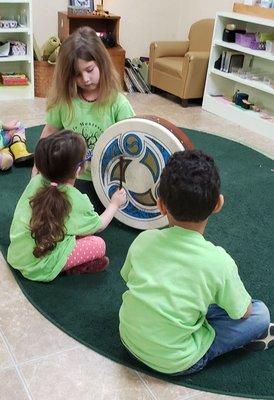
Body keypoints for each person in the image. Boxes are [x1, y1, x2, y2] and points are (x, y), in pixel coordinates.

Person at [119, 150, 273, 375]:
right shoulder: (219, 262)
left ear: (161, 205)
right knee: (261, 315)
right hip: (176, 361)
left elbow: (128, 277)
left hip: (129, 338)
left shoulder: (144, 239)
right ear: (218, 204)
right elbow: (244, 313)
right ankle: (196, 339)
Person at [7, 131, 126, 282]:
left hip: (18, 253)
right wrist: (114, 204)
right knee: (98, 244)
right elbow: (99, 225)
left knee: (74, 228)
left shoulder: (35, 181)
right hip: (40, 264)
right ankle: (67, 267)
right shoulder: (75, 199)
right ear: (78, 170)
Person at [31, 26, 134, 181]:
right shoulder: (64, 100)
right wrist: (37, 165)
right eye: (77, 74)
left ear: (102, 63)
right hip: (71, 177)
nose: (85, 79)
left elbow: (133, 141)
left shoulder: (119, 104)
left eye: (90, 69)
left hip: (107, 178)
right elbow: (50, 130)